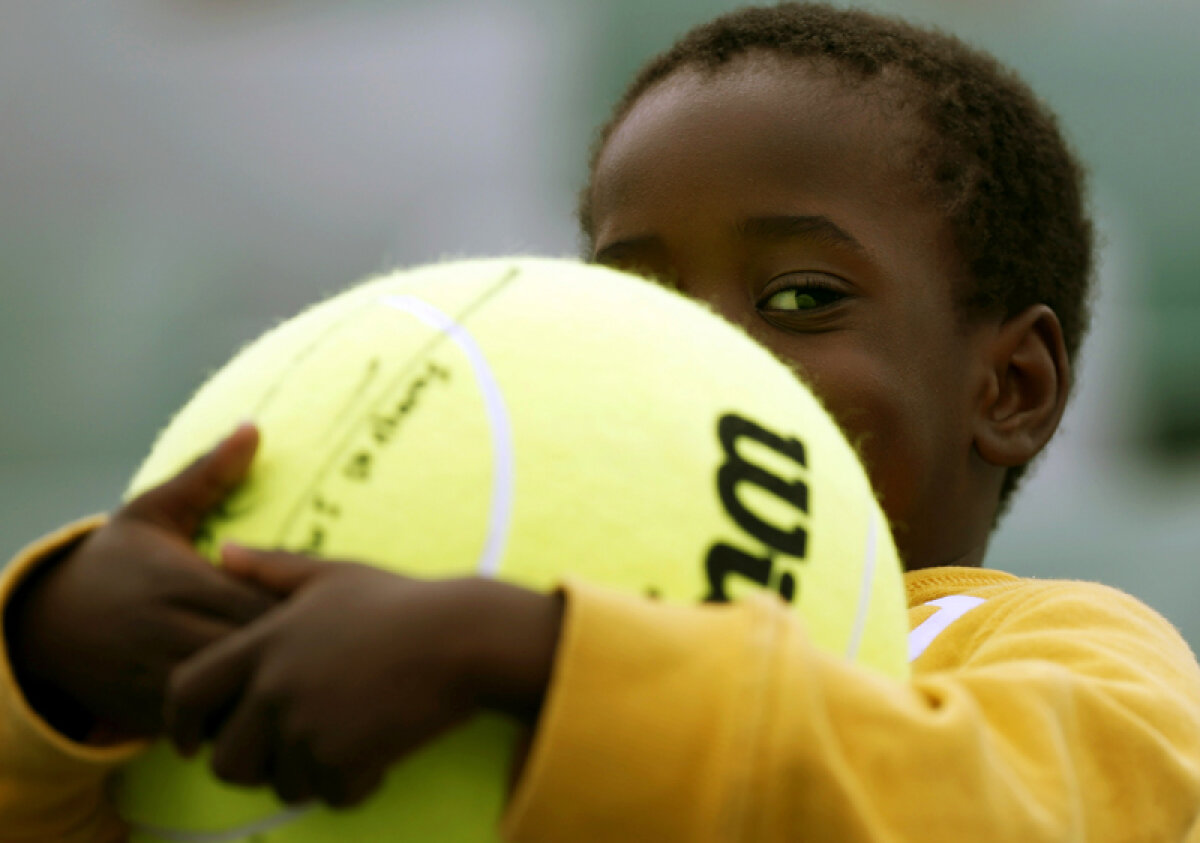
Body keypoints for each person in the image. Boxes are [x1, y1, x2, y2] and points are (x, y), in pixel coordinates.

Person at [3, 4, 1200, 840]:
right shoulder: (429, 595)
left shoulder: (1060, 650)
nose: (703, 354)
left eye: (801, 299)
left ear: (1012, 388)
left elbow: (1011, 814)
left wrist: (526, 656)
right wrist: (58, 661)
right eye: (639, 299)